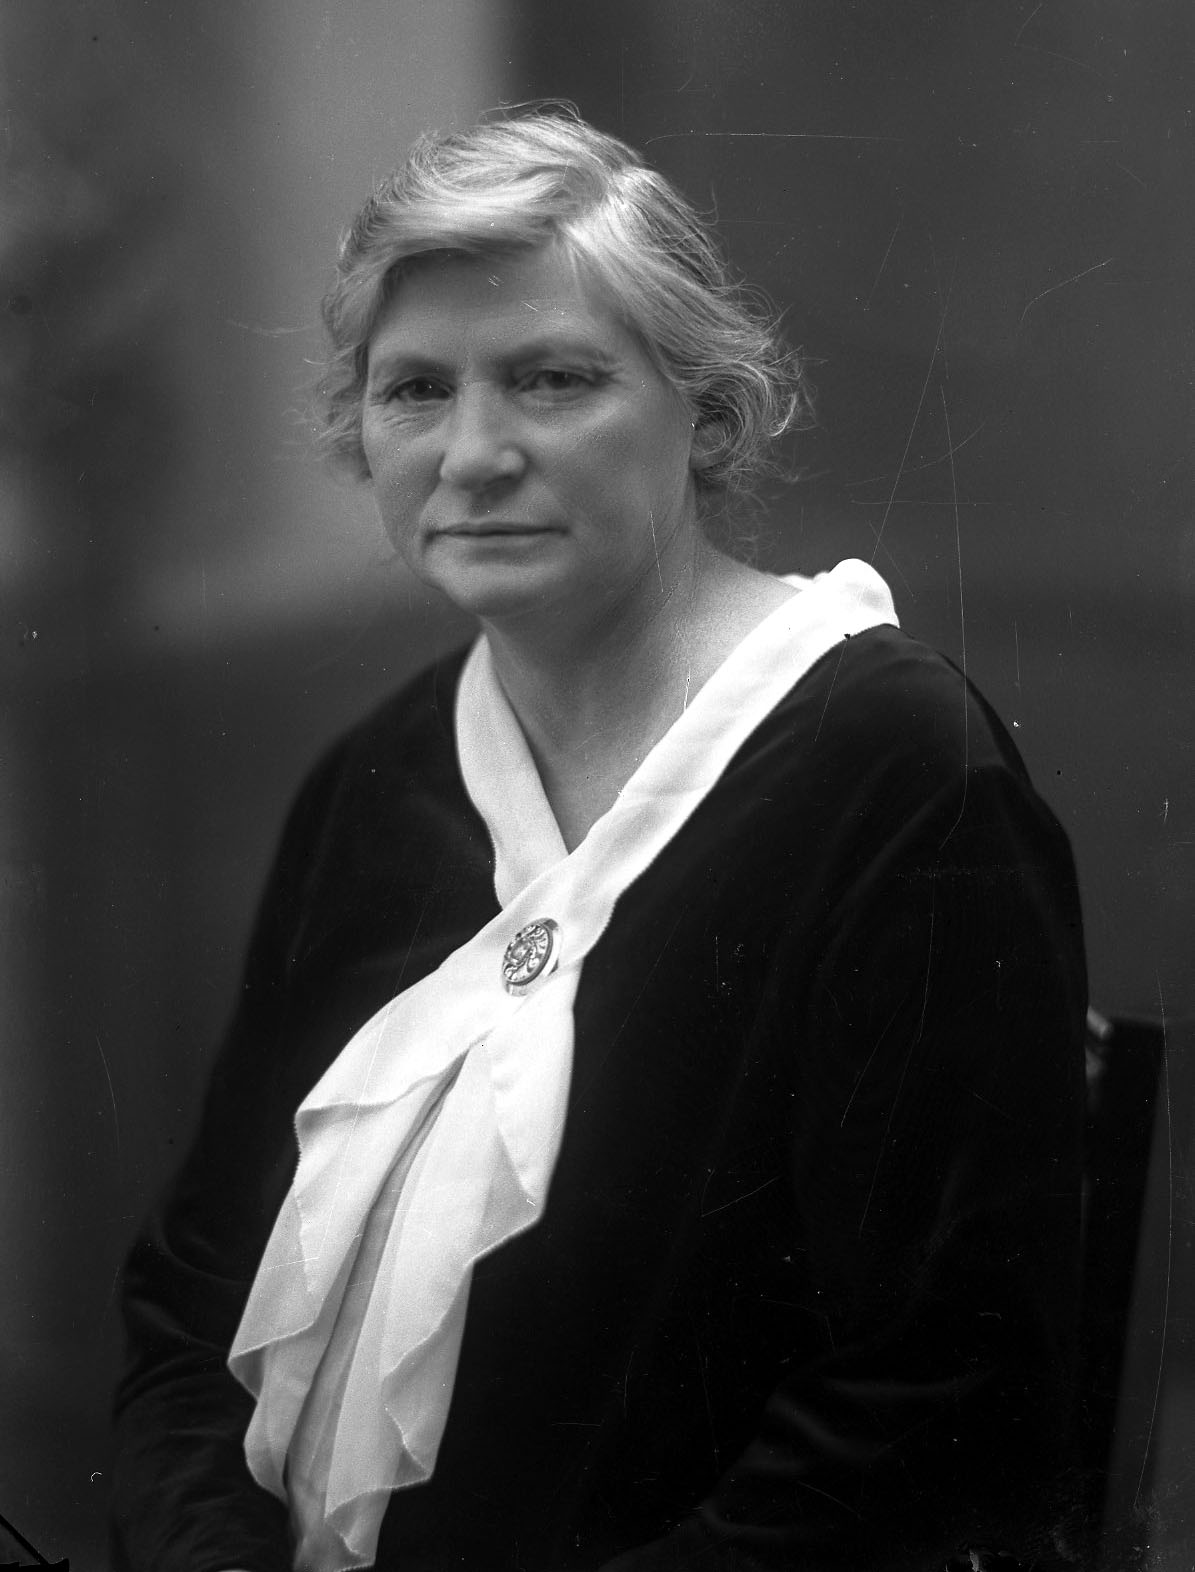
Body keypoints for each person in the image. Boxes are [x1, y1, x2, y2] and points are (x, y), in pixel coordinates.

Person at [111, 107, 1089, 1572]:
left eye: (553, 379)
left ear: (709, 416)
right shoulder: (376, 781)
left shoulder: (896, 776)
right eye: (415, 389)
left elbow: (934, 1406)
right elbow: (193, 1303)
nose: (473, 453)